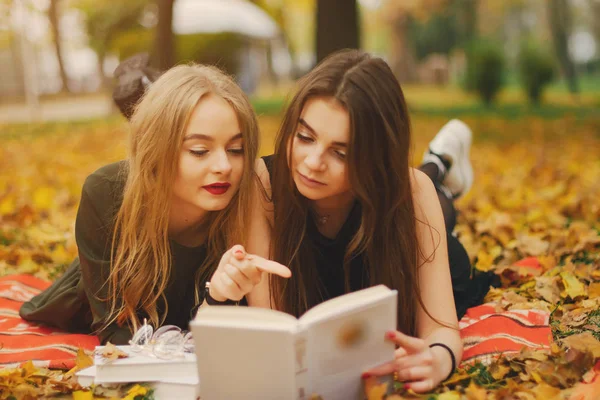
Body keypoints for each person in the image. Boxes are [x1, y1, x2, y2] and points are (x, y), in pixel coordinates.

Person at [248, 49, 494, 392]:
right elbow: (273, 329)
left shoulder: (409, 194)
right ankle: (439, 163)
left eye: (341, 152)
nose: (312, 162)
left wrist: (437, 359)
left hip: (408, 223)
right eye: (304, 137)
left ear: (377, 159)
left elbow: (441, 328)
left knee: (429, 198)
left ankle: (437, 171)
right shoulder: (264, 184)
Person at [20, 64, 289, 345]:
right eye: (200, 151)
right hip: (108, 318)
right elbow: (116, 333)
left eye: (237, 150)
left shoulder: (247, 194)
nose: (224, 166)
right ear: (157, 150)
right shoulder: (107, 193)